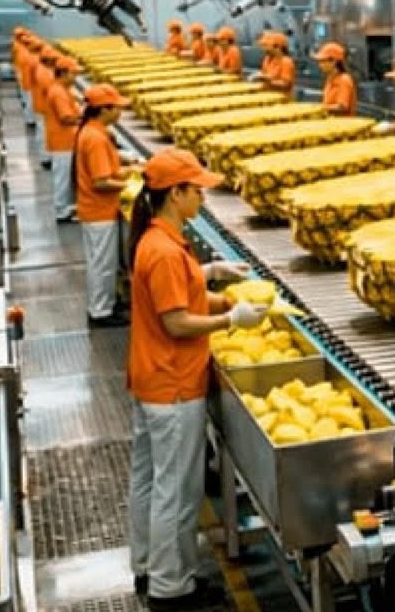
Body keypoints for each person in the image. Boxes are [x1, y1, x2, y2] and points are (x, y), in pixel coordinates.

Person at [126, 148, 262, 610]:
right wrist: (232, 320)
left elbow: (173, 291)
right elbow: (177, 322)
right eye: (196, 189)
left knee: (147, 482)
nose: (203, 197)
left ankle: (146, 567)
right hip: (173, 384)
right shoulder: (164, 250)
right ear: (175, 193)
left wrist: (210, 277)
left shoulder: (156, 239)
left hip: (149, 380)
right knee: (177, 491)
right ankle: (172, 589)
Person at [75, 84, 142, 328]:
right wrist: (129, 185)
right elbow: (101, 182)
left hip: (97, 209)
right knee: (102, 265)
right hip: (98, 210)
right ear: (104, 109)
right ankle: (100, 312)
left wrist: (129, 171)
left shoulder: (95, 131)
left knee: (102, 262)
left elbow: (107, 171)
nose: (120, 112)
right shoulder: (95, 138)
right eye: (117, 108)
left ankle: (103, 305)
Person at [44, 56, 83, 222]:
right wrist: (86, 118)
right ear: (64, 73)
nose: (76, 77)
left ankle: (68, 207)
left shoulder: (62, 89)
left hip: (65, 140)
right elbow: (66, 118)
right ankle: (62, 211)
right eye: (74, 74)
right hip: (62, 142)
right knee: (63, 178)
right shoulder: (58, 92)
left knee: (66, 176)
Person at [30, 47, 58, 171]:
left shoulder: (42, 68)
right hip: (44, 108)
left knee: (43, 132)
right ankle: (46, 158)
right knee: (44, 133)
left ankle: (46, 157)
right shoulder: (46, 74)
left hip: (40, 105)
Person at [313, 42, 357, 116]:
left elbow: (342, 107)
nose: (320, 65)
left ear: (333, 61)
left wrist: (320, 108)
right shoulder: (330, 79)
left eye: (323, 61)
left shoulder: (344, 80)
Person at [254, 32, 295, 98]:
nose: (264, 49)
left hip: (281, 98)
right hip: (267, 95)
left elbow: (286, 84)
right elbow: (264, 74)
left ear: (277, 47)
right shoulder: (267, 59)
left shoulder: (286, 62)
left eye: (266, 46)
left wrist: (269, 81)